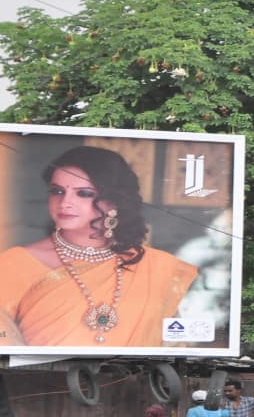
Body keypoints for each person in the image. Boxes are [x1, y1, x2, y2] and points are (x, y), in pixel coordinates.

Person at [0, 146, 199, 347]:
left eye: (84, 193)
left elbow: (176, 349)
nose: (65, 202)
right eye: (57, 191)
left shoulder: (157, 268)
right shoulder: (13, 264)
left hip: (137, 377)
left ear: (114, 202)